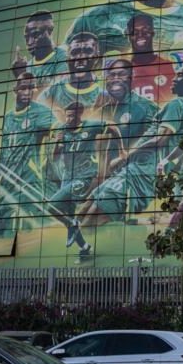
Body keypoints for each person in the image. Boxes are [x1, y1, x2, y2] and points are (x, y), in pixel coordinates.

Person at [78, 63, 183, 227]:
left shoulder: (178, 104)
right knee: (87, 206)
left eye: (181, 75)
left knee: (92, 218)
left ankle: (88, 241)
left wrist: (124, 157)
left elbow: (159, 139)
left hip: (141, 173)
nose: (174, 79)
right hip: (139, 169)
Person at [0, 73, 56, 236]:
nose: (27, 92)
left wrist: (58, 135)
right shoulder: (8, 118)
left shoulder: (40, 112)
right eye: (23, 88)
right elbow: (1, 162)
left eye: (31, 88)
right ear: (15, 90)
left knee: (26, 235)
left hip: (28, 185)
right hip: (6, 190)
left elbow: (59, 128)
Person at [47, 102, 125, 260]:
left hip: (85, 175)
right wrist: (56, 142)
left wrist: (121, 150)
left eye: (71, 116)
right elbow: (54, 158)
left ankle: (72, 225)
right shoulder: (62, 129)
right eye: (67, 116)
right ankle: (84, 246)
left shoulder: (91, 126)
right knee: (69, 215)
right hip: (67, 176)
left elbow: (112, 126)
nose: (68, 119)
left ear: (79, 114)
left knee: (52, 206)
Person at [96, 57, 158, 147]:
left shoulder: (147, 107)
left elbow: (155, 143)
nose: (115, 79)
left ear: (131, 77)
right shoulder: (101, 112)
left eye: (121, 74)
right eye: (111, 75)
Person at [39, 32, 102, 117]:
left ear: (96, 57)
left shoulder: (104, 90)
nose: (80, 57)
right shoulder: (50, 94)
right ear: (67, 58)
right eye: (75, 52)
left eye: (87, 51)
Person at [127, 13, 175, 104]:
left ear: (153, 33)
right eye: (134, 32)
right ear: (129, 37)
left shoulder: (169, 67)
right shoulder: (123, 71)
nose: (140, 35)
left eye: (145, 30)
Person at [11, 10, 67, 89]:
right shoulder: (28, 67)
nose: (29, 42)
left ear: (50, 32)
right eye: (26, 38)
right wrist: (21, 75)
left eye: (35, 35)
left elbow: (55, 92)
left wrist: (22, 75)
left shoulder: (64, 58)